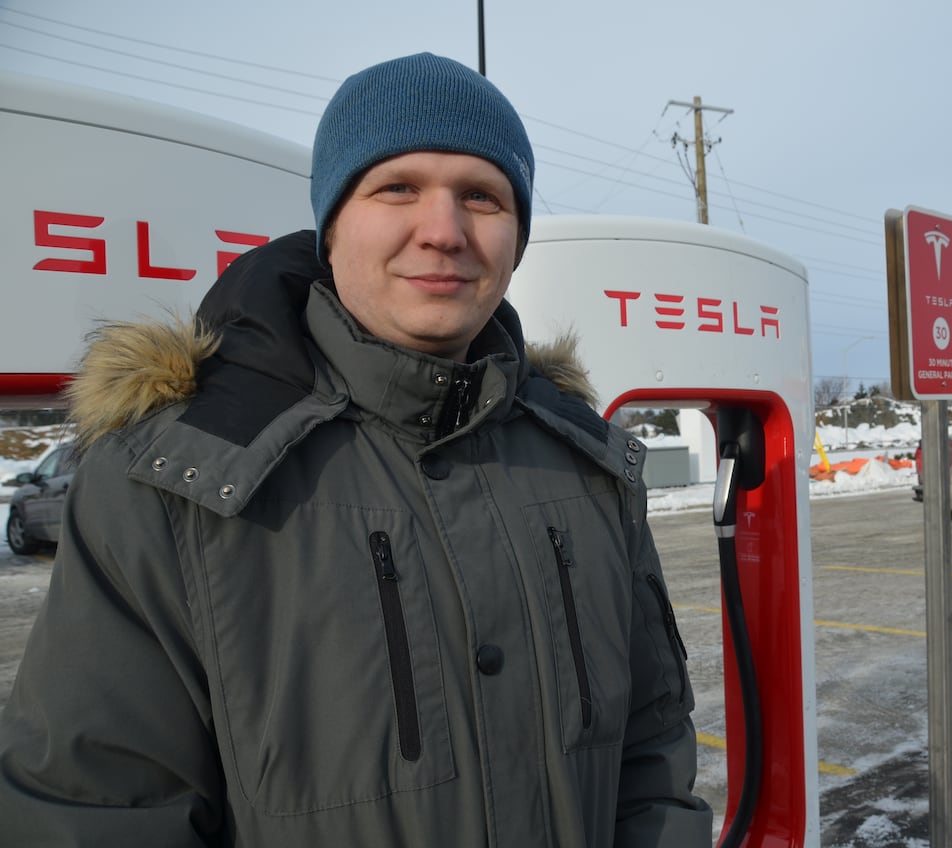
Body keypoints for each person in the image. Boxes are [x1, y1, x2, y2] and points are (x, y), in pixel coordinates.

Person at [0, 52, 712, 846]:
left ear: (516, 238)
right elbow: (96, 812)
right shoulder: (173, 474)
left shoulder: (590, 464)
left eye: (482, 195)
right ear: (332, 223)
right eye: (397, 187)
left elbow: (653, 752)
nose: (443, 232)